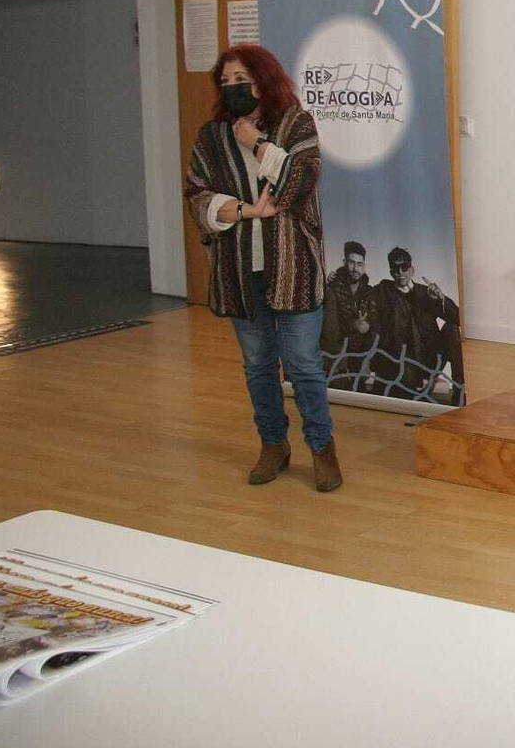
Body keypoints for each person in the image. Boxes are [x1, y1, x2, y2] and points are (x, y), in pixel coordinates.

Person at [183, 44, 341, 492]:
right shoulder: (210, 137)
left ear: (264, 79)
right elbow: (196, 193)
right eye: (226, 81)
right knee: (257, 365)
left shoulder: (297, 124)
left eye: (242, 79)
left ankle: (322, 449)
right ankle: (273, 445)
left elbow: (300, 181)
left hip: (295, 267)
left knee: (304, 364)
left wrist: (257, 145)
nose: (233, 87)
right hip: (239, 269)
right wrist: (243, 210)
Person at [370, 247, 466, 404]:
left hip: (430, 357)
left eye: (404, 267)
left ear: (412, 269)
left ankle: (459, 390)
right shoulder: (383, 291)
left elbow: (458, 318)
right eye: (395, 268)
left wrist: (441, 298)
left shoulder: (426, 292)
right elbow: (362, 288)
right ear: (390, 271)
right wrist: (336, 278)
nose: (400, 272)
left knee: (452, 328)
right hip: (402, 358)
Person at [321, 241, 375, 386]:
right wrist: (354, 325)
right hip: (336, 358)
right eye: (352, 263)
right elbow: (330, 328)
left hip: (360, 355)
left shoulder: (369, 292)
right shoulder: (332, 288)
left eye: (360, 264)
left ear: (364, 265)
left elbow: (373, 323)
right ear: (345, 262)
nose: (355, 268)